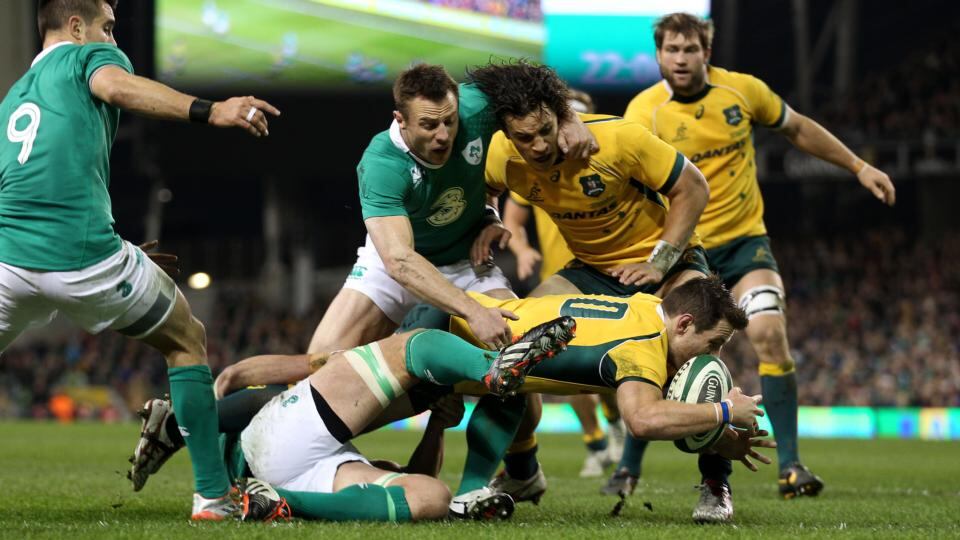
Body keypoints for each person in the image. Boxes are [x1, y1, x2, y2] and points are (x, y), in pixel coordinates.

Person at [0, 0, 280, 520]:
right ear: (77, 27)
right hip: (83, 257)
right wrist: (210, 110)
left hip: (9, 261)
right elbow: (118, 88)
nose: (113, 38)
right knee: (186, 338)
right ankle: (213, 498)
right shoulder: (86, 58)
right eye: (107, 27)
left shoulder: (14, 99)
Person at [622, 12, 896, 517]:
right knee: (686, 351)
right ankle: (657, 467)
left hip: (746, 243)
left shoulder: (742, 92)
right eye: (672, 50)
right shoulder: (644, 113)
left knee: (769, 333)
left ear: (708, 51)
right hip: (689, 249)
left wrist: (858, 166)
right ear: (658, 55)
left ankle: (790, 465)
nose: (681, 59)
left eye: (690, 49)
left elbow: (798, 129)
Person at [465, 60, 711, 505]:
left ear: (559, 114)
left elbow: (693, 187)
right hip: (591, 271)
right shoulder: (502, 154)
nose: (538, 145)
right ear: (505, 130)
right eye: (525, 137)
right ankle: (522, 469)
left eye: (545, 130)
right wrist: (488, 219)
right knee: (510, 343)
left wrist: (660, 263)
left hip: (670, 265)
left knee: (700, 357)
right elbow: (484, 191)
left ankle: (716, 483)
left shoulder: (616, 138)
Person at [232, 315, 580, 522]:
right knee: (411, 346)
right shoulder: (263, 401)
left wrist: (437, 428)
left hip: (302, 474)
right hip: (266, 443)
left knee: (430, 496)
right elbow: (233, 380)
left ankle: (277, 502)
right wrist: (319, 361)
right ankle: (491, 367)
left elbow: (412, 477)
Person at [500, 89, 624, 479]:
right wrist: (520, 251)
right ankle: (596, 443)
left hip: (603, 275)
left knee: (605, 367)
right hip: (560, 279)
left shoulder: (605, 165)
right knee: (562, 368)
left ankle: (616, 423)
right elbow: (512, 222)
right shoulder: (536, 170)